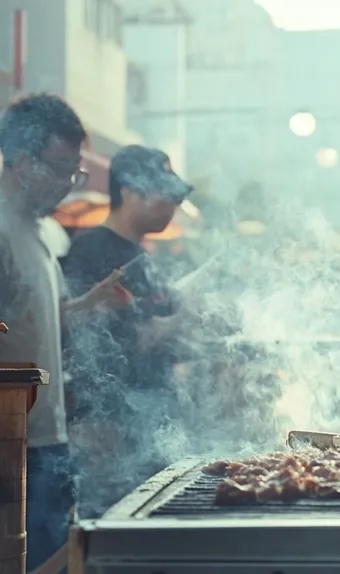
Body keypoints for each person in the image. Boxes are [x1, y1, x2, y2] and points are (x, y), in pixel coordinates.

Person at [0, 93, 126, 570]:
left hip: (47, 436)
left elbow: (37, 321)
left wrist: (88, 304)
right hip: (11, 442)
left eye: (75, 172)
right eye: (59, 169)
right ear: (22, 160)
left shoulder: (45, 233)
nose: (67, 185)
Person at [61, 144, 194, 516]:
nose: (173, 205)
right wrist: (180, 321)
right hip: (113, 436)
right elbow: (101, 349)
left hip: (154, 429)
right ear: (130, 192)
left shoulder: (145, 258)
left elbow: (167, 337)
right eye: (164, 194)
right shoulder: (92, 251)